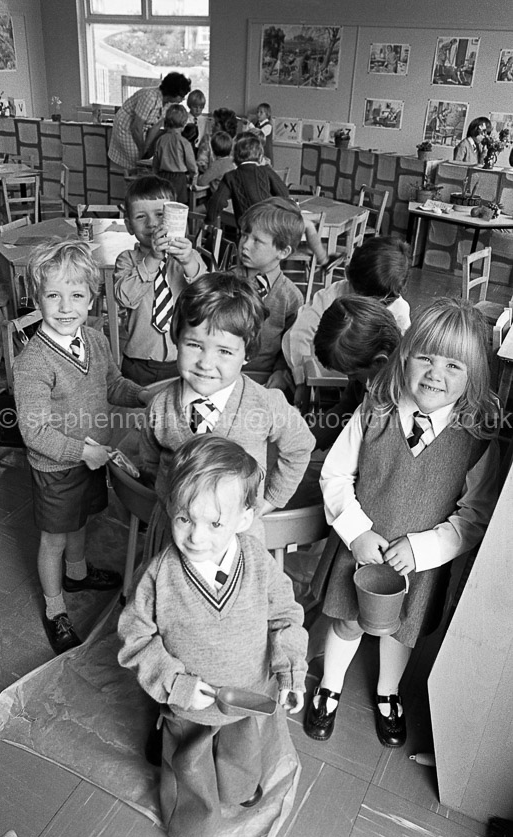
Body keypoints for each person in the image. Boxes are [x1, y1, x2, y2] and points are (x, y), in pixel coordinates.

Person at [304, 297, 499, 748]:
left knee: (401, 631)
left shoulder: (475, 436)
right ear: (404, 357)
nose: (435, 374)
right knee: (347, 620)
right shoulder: (375, 410)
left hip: (419, 566)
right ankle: (330, 687)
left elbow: (475, 514)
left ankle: (388, 693)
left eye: (453, 365)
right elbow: (335, 475)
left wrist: (423, 549)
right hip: (360, 551)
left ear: (473, 376)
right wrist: (356, 532)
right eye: (425, 358)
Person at [118, 435, 308, 837]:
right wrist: (175, 684)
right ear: (171, 506)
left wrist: (291, 672)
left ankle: (238, 788)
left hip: (246, 696)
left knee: (242, 756)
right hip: (187, 705)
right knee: (189, 768)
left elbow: (285, 616)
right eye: (184, 518)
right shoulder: (158, 576)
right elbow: (136, 638)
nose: (196, 537)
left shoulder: (258, 562)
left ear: (245, 518)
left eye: (214, 523)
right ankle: (192, 823)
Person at [13, 239, 152, 655]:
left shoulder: (95, 339)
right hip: (57, 467)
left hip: (90, 457)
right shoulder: (33, 362)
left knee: (81, 520)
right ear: (36, 298)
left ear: (92, 299)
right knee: (54, 537)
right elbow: (35, 432)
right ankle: (55, 609)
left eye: (76, 296)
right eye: (53, 295)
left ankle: (76, 574)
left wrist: (142, 395)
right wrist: (84, 452)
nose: (65, 307)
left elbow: (112, 385)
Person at [138, 271, 315, 553]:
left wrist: (270, 500)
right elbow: (150, 462)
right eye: (194, 345)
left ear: (247, 354)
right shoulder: (159, 406)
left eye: (224, 351)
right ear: (177, 339)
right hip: (174, 534)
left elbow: (300, 446)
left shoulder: (265, 403)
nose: (206, 363)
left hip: (238, 540)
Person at [283, 236, 411, 418]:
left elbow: (401, 359)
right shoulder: (333, 295)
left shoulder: (399, 310)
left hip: (368, 385)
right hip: (327, 372)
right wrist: (300, 379)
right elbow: (298, 335)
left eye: (379, 303)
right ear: (348, 275)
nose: (367, 306)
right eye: (361, 296)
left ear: (393, 295)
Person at [113, 175, 207, 387]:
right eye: (140, 217)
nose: (152, 224)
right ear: (129, 225)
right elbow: (125, 298)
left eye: (160, 215)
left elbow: (207, 296)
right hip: (138, 362)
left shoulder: (189, 258)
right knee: (135, 406)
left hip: (183, 359)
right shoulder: (126, 260)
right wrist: (153, 258)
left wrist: (189, 261)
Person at [235, 197, 305, 387]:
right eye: (244, 235)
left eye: (257, 241)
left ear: (283, 252)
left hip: (263, 378)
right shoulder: (227, 281)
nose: (245, 245)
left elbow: (291, 344)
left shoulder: (291, 297)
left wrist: (281, 371)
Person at [108, 72, 192, 170]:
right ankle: (133, 177)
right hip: (126, 127)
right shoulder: (150, 97)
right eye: (181, 96)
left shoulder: (169, 104)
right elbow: (136, 128)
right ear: (172, 93)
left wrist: (146, 148)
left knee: (144, 157)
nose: (183, 99)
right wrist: (141, 149)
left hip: (140, 129)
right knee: (135, 159)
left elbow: (155, 126)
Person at [206, 132, 289, 225]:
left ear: (234, 156)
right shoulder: (266, 170)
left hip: (246, 226)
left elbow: (218, 201)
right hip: (268, 223)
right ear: (260, 156)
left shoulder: (230, 176)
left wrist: (209, 220)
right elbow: (284, 193)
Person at [152, 104, 198, 204]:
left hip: (162, 176)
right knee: (178, 206)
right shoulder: (184, 142)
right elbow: (192, 166)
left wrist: (155, 177)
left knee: (163, 204)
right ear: (184, 123)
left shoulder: (160, 140)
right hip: (179, 179)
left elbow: (155, 163)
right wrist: (193, 180)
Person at [196, 107, 238, 174]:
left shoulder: (236, 143)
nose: (212, 126)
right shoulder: (207, 140)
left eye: (216, 124)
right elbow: (201, 163)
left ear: (225, 127)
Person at [181, 88, 207, 156]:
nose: (198, 110)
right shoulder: (184, 118)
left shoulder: (205, 120)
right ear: (190, 105)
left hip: (201, 150)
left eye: (201, 107)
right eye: (195, 107)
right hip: (187, 148)